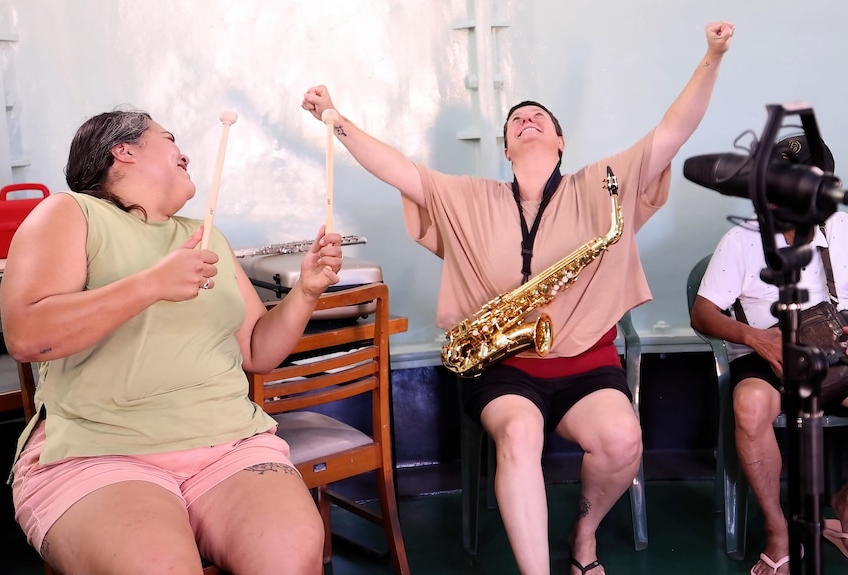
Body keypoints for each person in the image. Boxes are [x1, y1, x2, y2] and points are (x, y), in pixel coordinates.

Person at [303, 20, 734, 575]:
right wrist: (338, 120)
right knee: (520, 431)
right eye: (516, 120)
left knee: (623, 439)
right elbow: (398, 170)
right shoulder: (470, 196)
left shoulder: (604, 182)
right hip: (502, 364)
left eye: (539, 118)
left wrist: (713, 55)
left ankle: (584, 534)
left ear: (559, 141)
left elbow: (674, 131)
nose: (526, 119)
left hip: (588, 360)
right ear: (506, 148)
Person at [1, 109, 343, 575]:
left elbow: (260, 351)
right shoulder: (71, 212)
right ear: (122, 151)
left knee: (291, 557)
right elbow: (26, 335)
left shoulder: (205, 237)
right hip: (100, 452)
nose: (185, 153)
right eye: (168, 139)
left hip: (230, 444)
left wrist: (305, 291)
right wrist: (149, 285)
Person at [690, 136, 848, 575]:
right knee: (750, 405)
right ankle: (779, 531)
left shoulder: (843, 229)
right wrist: (756, 339)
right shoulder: (741, 239)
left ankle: (842, 503)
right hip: (767, 352)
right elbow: (702, 314)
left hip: (834, 351)